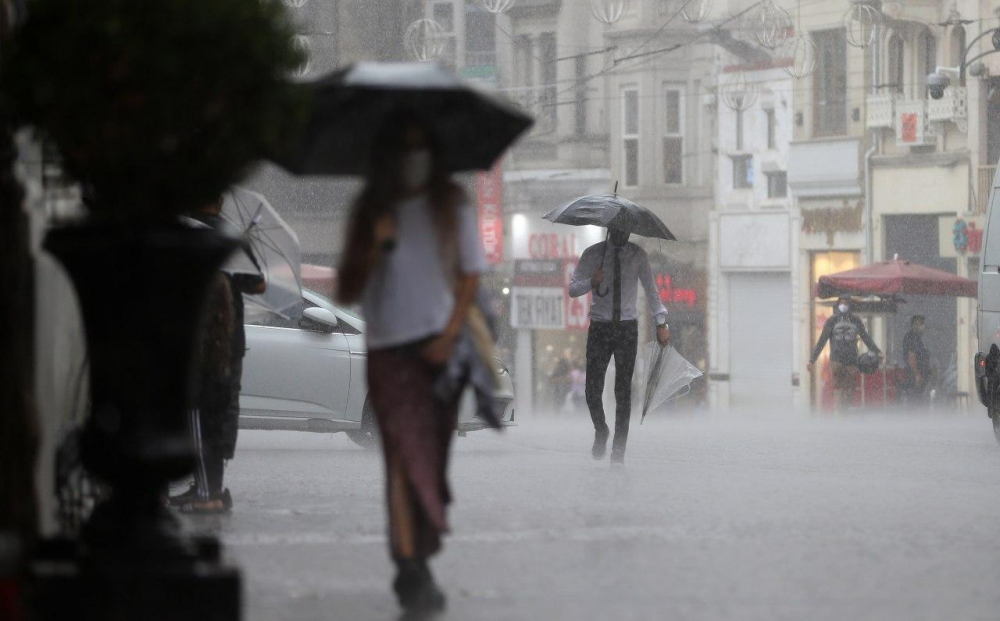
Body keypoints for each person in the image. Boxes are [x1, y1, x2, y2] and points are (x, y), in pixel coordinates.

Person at [336, 114, 486, 613]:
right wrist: (374, 246)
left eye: (422, 147)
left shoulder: (451, 206)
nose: (413, 158)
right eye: (404, 148)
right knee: (401, 458)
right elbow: (348, 289)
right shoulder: (371, 209)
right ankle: (408, 563)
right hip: (388, 352)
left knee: (431, 459)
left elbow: (470, 276)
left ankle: (418, 549)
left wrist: (449, 334)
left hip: (437, 351)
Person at [172, 196, 266, 510]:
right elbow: (258, 285)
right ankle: (211, 486)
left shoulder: (185, 236)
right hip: (230, 340)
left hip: (196, 338)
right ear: (221, 200)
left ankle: (205, 490)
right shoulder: (231, 238)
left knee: (196, 410)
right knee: (222, 409)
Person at [569, 227, 670, 465]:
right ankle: (601, 429)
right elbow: (573, 289)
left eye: (627, 227)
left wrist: (661, 322)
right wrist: (592, 281)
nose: (623, 233)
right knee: (592, 390)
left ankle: (619, 451)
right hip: (600, 327)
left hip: (626, 329)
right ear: (610, 228)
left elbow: (651, 291)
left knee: (623, 392)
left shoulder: (637, 255)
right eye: (618, 227)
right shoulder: (593, 254)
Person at [807, 296, 882, 411]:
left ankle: (840, 412)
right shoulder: (855, 321)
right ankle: (844, 410)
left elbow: (822, 340)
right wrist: (877, 351)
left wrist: (812, 360)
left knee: (840, 388)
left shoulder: (832, 320)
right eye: (841, 303)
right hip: (847, 360)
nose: (843, 305)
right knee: (848, 388)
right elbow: (865, 338)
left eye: (845, 303)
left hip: (841, 360)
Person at [901, 314, 932, 405]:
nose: (923, 326)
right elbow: (912, 356)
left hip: (920, 374)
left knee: (919, 398)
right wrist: (917, 374)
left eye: (922, 323)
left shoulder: (918, 338)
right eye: (920, 323)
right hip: (914, 375)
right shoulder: (911, 337)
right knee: (915, 399)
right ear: (914, 325)